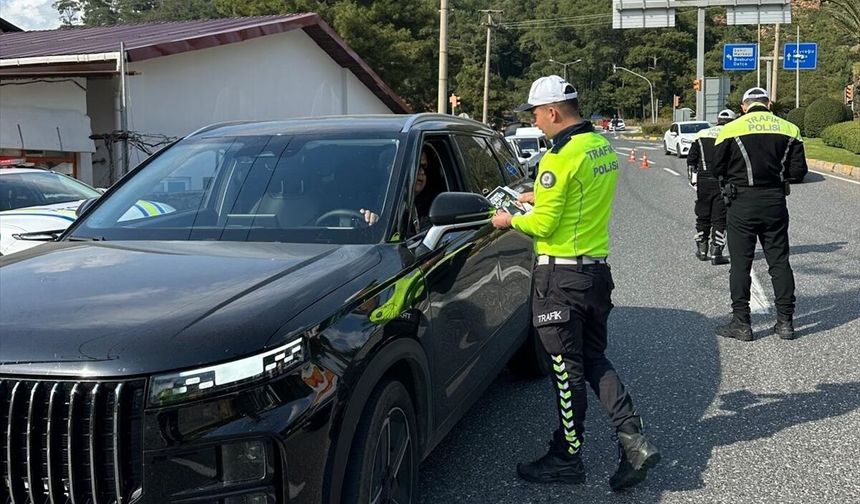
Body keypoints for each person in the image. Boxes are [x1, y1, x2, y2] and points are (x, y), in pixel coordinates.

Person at [491, 75, 660, 491]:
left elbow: (546, 223)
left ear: (552, 112)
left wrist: (509, 218)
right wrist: (538, 196)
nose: (535, 122)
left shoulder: (558, 157)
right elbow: (574, 198)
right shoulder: (599, 146)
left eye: (535, 114)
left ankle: (567, 457)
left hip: (560, 276)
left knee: (566, 371)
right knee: (594, 360)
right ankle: (633, 439)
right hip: (595, 272)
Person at [712, 87, 808, 341]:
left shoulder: (731, 129)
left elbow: (716, 167)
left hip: (741, 201)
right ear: (769, 104)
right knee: (779, 261)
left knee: (741, 265)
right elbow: (798, 172)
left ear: (744, 106)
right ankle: (785, 323)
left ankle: (741, 324)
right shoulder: (789, 128)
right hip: (775, 201)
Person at [686, 108, 736, 265]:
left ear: (717, 119)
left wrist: (694, 176)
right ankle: (716, 253)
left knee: (703, 214)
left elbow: (691, 160)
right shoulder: (733, 135)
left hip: (703, 180)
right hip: (723, 180)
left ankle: (702, 250)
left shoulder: (702, 134)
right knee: (720, 217)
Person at [360, 145, 435, 234]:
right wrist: (372, 221)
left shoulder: (433, 207)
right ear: (391, 169)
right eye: (416, 166)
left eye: (424, 167)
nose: (422, 172)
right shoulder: (373, 200)